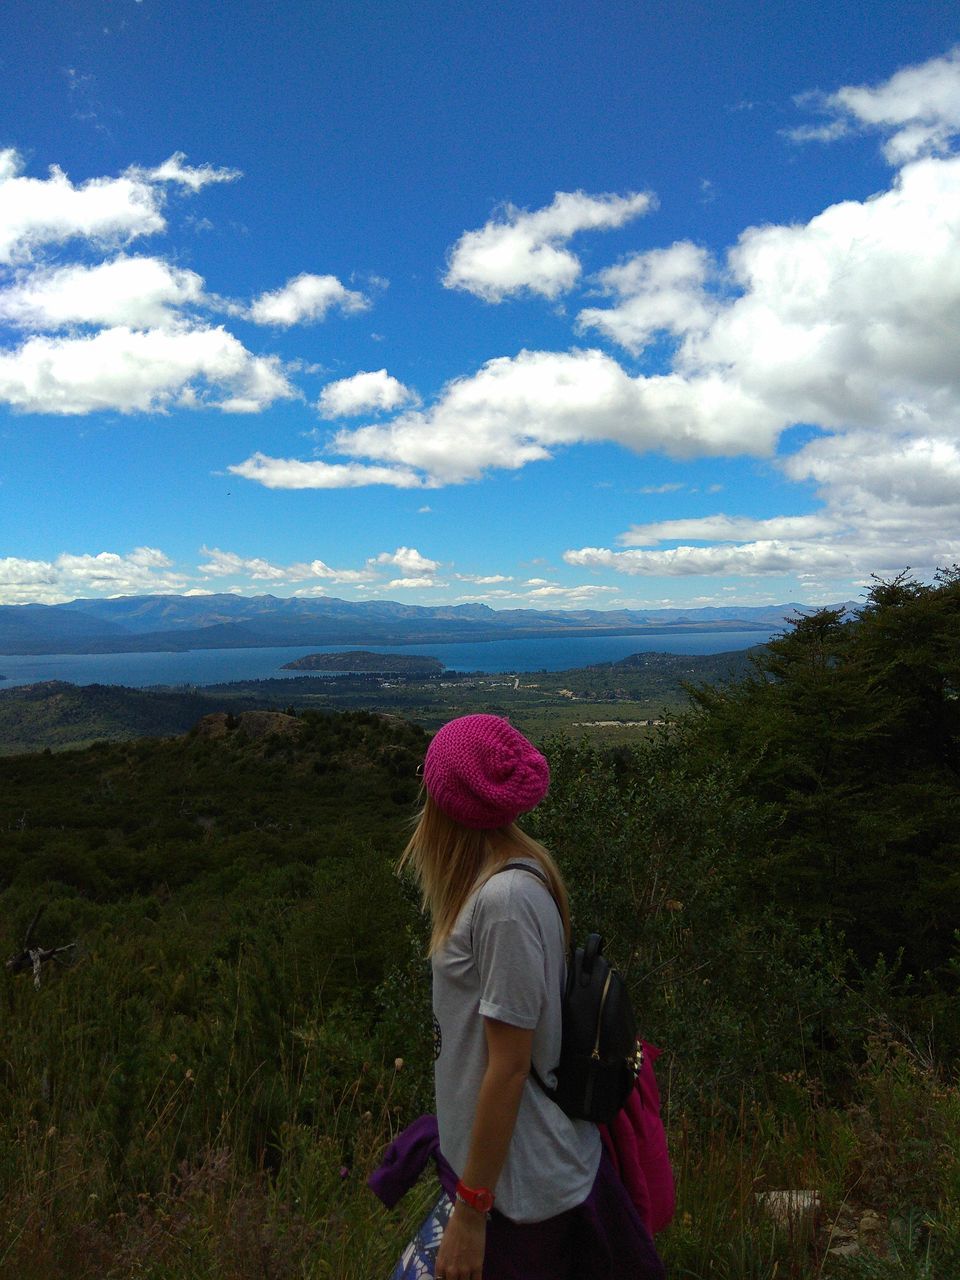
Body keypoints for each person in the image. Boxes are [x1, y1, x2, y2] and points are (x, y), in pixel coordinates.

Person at [395, 713, 664, 1280]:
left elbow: (510, 1067)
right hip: (501, 1180)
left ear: (448, 803)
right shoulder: (501, 884)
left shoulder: (506, 903)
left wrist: (471, 1210)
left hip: (519, 1194)